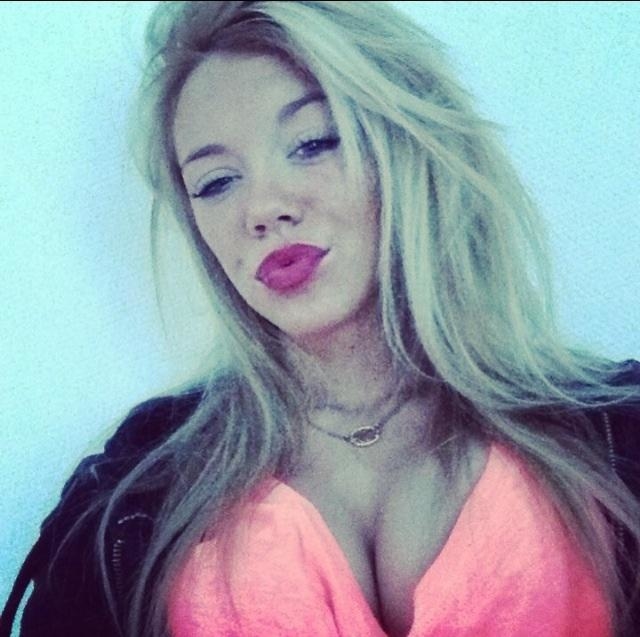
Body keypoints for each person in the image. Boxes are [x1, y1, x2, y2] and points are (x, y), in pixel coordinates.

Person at [2, 2, 640, 636]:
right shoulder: (137, 486)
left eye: (312, 144)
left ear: (408, 152)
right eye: (217, 182)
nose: (263, 208)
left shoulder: (615, 431)